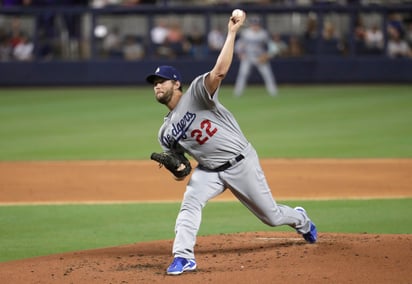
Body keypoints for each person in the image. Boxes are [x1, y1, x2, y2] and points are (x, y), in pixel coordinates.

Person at [145, 11, 317, 276]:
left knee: (271, 217)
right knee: (190, 203)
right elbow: (182, 169)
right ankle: (183, 256)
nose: (157, 86)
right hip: (208, 171)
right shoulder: (165, 132)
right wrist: (178, 171)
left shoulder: (198, 94)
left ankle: (301, 219)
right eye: (154, 83)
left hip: (240, 162)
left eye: (161, 81)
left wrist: (232, 32)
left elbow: (221, 71)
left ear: (176, 83)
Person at [233, 17, 278, 97]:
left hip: (260, 57)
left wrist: (268, 55)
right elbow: (239, 45)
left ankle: (273, 93)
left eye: (256, 24)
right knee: (243, 74)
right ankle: (237, 93)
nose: (255, 26)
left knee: (267, 74)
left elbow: (272, 47)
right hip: (248, 57)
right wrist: (240, 54)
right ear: (251, 25)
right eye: (253, 24)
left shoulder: (263, 34)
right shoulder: (246, 33)